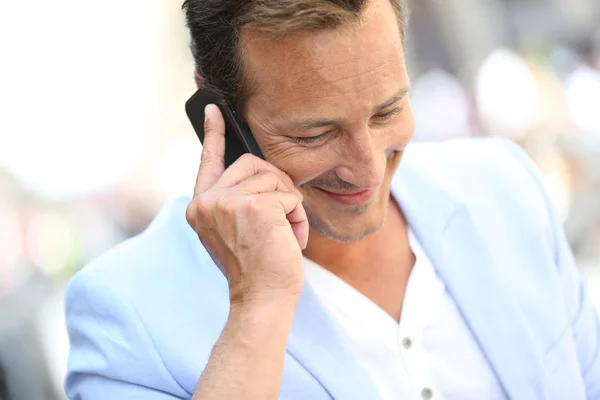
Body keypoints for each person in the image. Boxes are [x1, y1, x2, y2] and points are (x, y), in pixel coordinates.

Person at [64, 0, 600, 399]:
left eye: (387, 110)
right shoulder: (124, 315)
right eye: (315, 134)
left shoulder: (506, 186)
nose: (367, 167)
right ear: (218, 118)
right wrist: (258, 308)